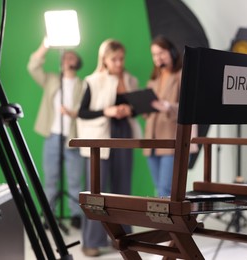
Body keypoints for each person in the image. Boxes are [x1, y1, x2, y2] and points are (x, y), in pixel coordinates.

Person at [76, 39, 141, 257]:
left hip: (124, 135)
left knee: (123, 189)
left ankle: (123, 239)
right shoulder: (92, 81)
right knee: (97, 191)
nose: (119, 63)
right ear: (104, 58)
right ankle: (91, 242)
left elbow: (137, 109)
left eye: (122, 58)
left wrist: (127, 110)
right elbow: (82, 112)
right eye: (115, 59)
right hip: (100, 139)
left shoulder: (131, 80)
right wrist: (107, 111)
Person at [27, 39, 85, 229]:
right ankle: (49, 213)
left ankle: (76, 214)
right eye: (65, 56)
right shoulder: (52, 79)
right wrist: (45, 44)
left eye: (72, 56)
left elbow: (85, 109)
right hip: (52, 134)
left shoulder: (83, 85)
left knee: (75, 178)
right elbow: (33, 66)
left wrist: (72, 112)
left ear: (77, 62)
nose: (67, 58)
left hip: (73, 137)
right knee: (50, 177)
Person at [143, 35, 198, 197]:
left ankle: (168, 223)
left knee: (167, 191)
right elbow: (151, 112)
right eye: (154, 54)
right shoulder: (153, 81)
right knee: (159, 190)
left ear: (171, 52)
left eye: (161, 52)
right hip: (152, 141)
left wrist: (167, 106)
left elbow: (190, 106)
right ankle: (162, 222)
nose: (158, 57)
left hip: (173, 140)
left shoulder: (182, 75)